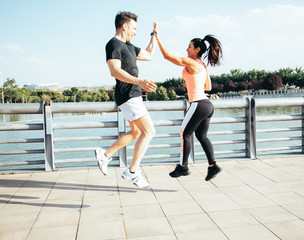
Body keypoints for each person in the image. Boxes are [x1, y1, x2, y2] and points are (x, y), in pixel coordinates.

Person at [95, 11, 158, 188]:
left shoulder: (129, 46)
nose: (135, 32)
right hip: (128, 95)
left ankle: (105, 155)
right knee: (149, 131)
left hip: (133, 94)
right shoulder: (113, 44)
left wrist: (154, 35)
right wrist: (140, 81)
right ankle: (132, 172)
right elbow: (114, 71)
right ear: (124, 26)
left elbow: (149, 55)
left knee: (137, 133)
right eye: (134, 28)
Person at [154, 27, 222, 181]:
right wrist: (189, 85)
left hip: (198, 104)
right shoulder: (202, 66)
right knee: (201, 136)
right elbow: (208, 87)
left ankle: (183, 166)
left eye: (189, 47)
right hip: (207, 105)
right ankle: (213, 166)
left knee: (184, 133)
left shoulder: (190, 62)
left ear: (197, 49)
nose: (186, 49)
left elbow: (167, 56)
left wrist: (157, 38)